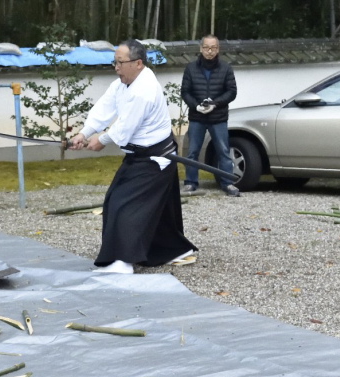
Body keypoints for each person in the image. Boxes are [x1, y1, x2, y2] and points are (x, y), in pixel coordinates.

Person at [68, 39, 197, 274]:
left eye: (120, 62)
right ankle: (173, 250)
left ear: (138, 63)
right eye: (114, 62)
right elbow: (105, 108)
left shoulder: (144, 90)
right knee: (156, 209)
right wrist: (84, 133)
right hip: (141, 155)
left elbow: (125, 127)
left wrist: (101, 140)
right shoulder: (123, 83)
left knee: (123, 204)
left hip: (154, 158)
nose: (116, 67)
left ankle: (123, 260)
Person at [181, 34, 240, 197]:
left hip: (218, 117)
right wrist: (196, 106)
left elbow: (232, 91)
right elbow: (185, 92)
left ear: (218, 49)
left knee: (223, 151)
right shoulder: (191, 68)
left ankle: (228, 183)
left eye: (213, 48)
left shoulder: (226, 68)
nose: (210, 51)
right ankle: (191, 182)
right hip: (197, 117)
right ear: (201, 48)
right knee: (193, 151)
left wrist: (215, 103)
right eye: (206, 47)